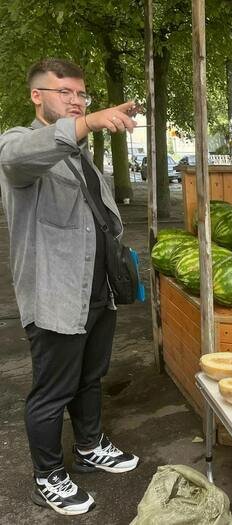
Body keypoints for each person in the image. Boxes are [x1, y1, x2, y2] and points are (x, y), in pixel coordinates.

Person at [0, 59, 141, 516]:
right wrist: (88, 122)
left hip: (96, 293)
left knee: (90, 378)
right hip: (56, 295)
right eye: (66, 92)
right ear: (37, 96)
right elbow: (18, 161)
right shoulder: (18, 145)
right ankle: (47, 475)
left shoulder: (79, 156)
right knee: (52, 390)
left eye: (82, 95)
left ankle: (88, 445)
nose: (77, 101)